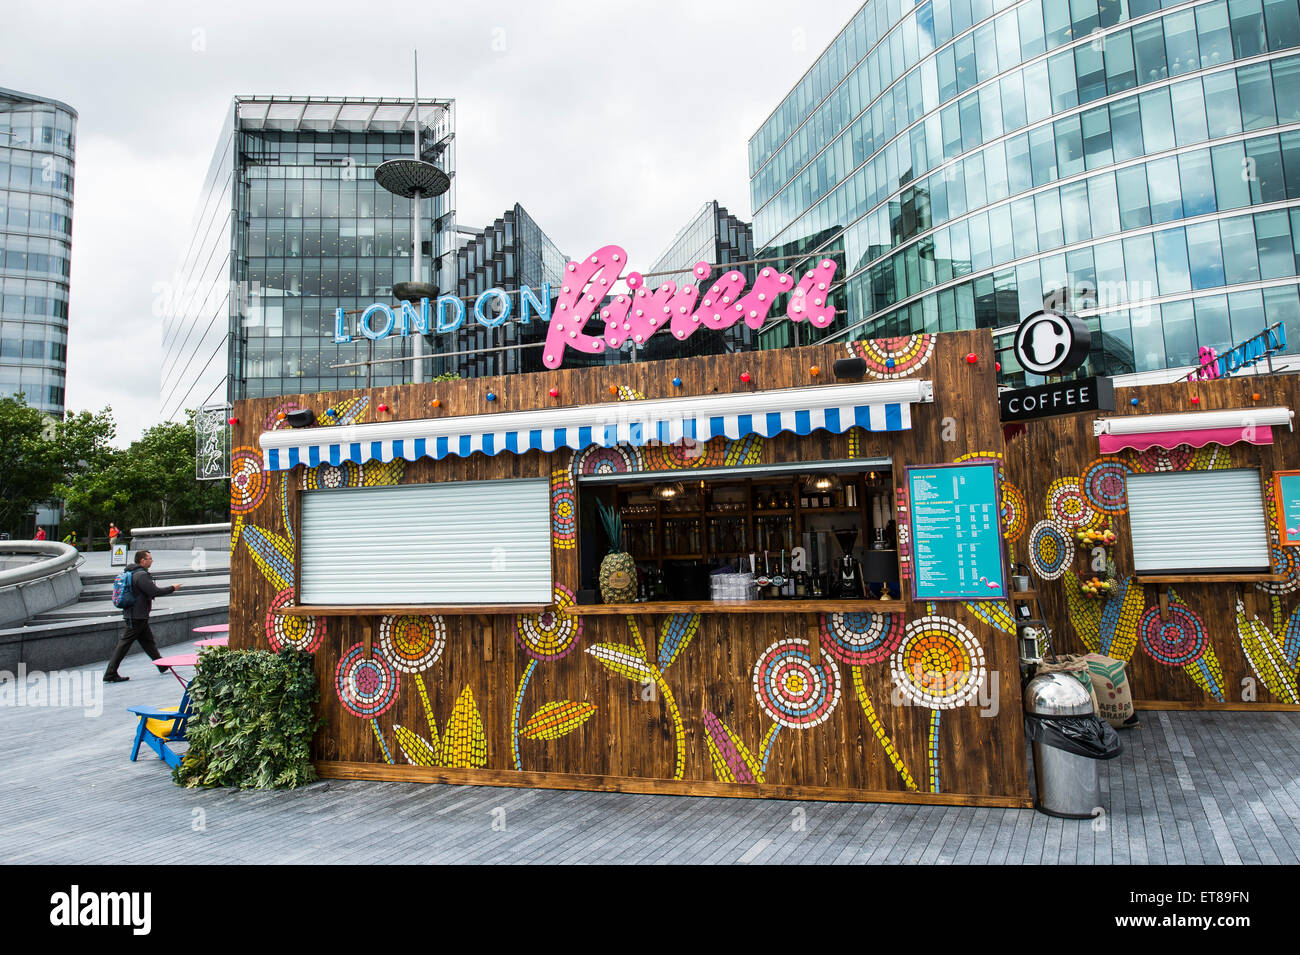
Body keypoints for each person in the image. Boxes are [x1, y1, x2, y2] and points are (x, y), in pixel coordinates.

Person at [103, 550, 184, 683]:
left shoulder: (132, 573)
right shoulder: (141, 575)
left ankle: (161, 665)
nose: (151, 561)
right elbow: (154, 591)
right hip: (137, 616)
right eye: (149, 559)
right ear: (142, 560)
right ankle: (110, 673)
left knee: (148, 642)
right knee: (124, 645)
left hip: (134, 614)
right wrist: (172, 588)